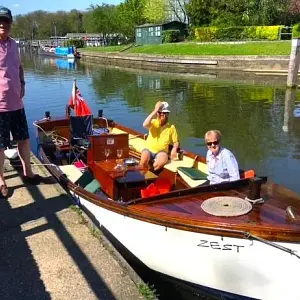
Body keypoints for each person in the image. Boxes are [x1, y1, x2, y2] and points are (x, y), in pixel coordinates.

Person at [0, 7, 43, 197]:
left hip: (17, 102)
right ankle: (0, 179)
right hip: (0, 105)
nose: (3, 25)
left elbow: (19, 66)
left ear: (11, 24)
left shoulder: (14, 44)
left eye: (6, 21)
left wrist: (23, 82)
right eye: (0, 21)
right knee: (0, 145)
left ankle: (28, 172)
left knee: (24, 139)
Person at [140, 101, 179, 171]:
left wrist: (174, 149)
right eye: (160, 113)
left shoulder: (171, 127)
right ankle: (144, 177)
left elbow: (176, 142)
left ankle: (149, 177)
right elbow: (144, 124)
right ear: (157, 114)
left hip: (162, 152)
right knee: (143, 162)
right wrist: (155, 110)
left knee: (158, 164)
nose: (163, 115)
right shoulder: (153, 122)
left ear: (168, 114)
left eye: (165, 113)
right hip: (148, 149)